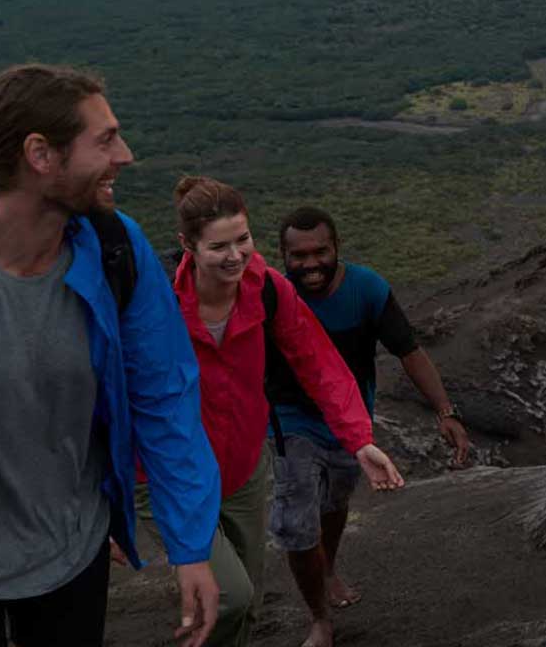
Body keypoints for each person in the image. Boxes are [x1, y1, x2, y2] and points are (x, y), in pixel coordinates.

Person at [0, 64, 221, 647]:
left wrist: (189, 546)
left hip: (71, 555)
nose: (126, 155)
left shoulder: (116, 250)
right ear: (41, 154)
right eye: (105, 139)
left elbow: (163, 396)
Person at [136, 177, 403, 647]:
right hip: (169, 470)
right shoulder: (157, 302)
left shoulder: (266, 289)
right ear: (187, 246)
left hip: (241, 467)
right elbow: (113, 392)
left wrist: (358, 438)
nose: (236, 255)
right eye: (219, 246)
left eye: (243, 239)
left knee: (249, 602)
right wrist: (105, 494)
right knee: (230, 597)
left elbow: (317, 361)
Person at [271, 205, 470, 641]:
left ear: (336, 247)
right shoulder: (274, 295)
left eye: (319, 252)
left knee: (334, 506)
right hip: (291, 420)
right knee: (299, 516)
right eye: (297, 256)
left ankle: (328, 569)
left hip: (349, 423)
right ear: (282, 256)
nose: (309, 264)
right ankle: (319, 618)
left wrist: (445, 412)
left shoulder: (367, 289)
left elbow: (409, 350)